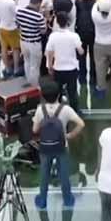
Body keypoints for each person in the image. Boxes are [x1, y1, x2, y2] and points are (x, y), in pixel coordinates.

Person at [32, 79, 85, 211]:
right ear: (59, 95)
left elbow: (34, 130)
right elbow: (81, 124)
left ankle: (42, 200)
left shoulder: (40, 110)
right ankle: (68, 200)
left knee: (44, 174)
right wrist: (70, 135)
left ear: (43, 96)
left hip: (44, 147)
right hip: (62, 146)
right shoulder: (65, 109)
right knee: (64, 174)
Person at [46, 11, 84, 109]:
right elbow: (81, 52)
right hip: (71, 69)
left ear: (57, 22)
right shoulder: (74, 36)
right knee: (72, 93)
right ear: (68, 22)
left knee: (57, 92)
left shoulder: (53, 36)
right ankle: (74, 111)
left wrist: (50, 66)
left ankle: (57, 110)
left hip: (58, 69)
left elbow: (49, 52)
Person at [17, 0, 48, 84]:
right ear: (38, 3)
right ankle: (34, 86)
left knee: (27, 62)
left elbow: (18, 25)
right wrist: (45, 19)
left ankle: (28, 81)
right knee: (34, 66)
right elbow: (43, 31)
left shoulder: (20, 11)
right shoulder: (39, 16)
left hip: (23, 41)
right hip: (34, 43)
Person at [75, 0, 98, 89]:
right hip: (93, 32)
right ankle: (93, 78)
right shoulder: (95, 3)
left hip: (81, 32)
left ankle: (82, 77)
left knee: (81, 56)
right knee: (93, 56)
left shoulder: (77, 2)